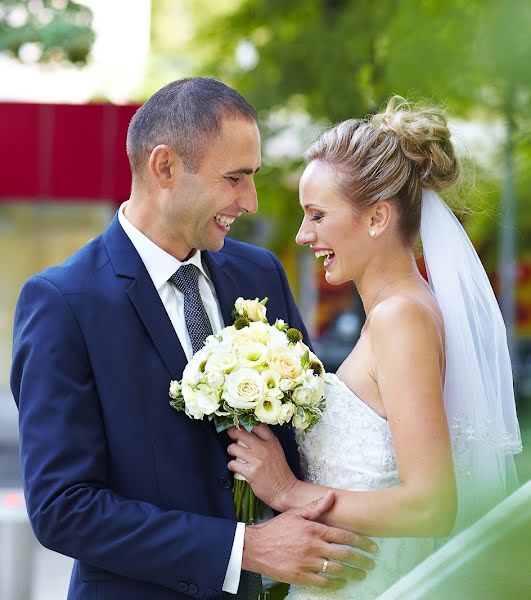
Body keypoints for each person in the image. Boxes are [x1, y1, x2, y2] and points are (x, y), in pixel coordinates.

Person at [10, 77, 376, 600]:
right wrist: (244, 549)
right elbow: (63, 508)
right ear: (164, 167)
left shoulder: (261, 273)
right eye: (234, 178)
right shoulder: (64, 302)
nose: (248, 201)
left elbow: (306, 436)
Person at [225, 97, 523, 599]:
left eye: (317, 215)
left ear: (378, 218)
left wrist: (287, 492)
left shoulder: (400, 318)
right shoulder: (396, 313)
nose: (303, 235)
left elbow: (431, 506)